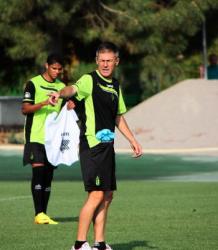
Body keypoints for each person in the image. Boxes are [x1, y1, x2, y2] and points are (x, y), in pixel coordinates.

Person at [47, 42, 143, 250]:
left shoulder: (115, 85)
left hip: (108, 147)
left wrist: (132, 140)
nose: (106, 64)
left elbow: (118, 116)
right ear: (96, 61)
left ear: (116, 61)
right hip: (92, 146)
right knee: (97, 194)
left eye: (109, 61)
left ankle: (99, 243)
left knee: (107, 195)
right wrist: (59, 94)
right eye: (102, 61)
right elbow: (72, 89)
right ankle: (79, 244)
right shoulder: (90, 80)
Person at [21, 53, 75, 225]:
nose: (57, 71)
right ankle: (39, 213)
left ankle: (44, 214)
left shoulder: (61, 87)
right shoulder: (33, 83)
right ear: (47, 66)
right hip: (35, 135)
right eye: (54, 68)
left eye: (60, 69)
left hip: (53, 139)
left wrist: (70, 105)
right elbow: (25, 109)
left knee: (48, 175)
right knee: (38, 171)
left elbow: (65, 110)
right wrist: (43, 103)